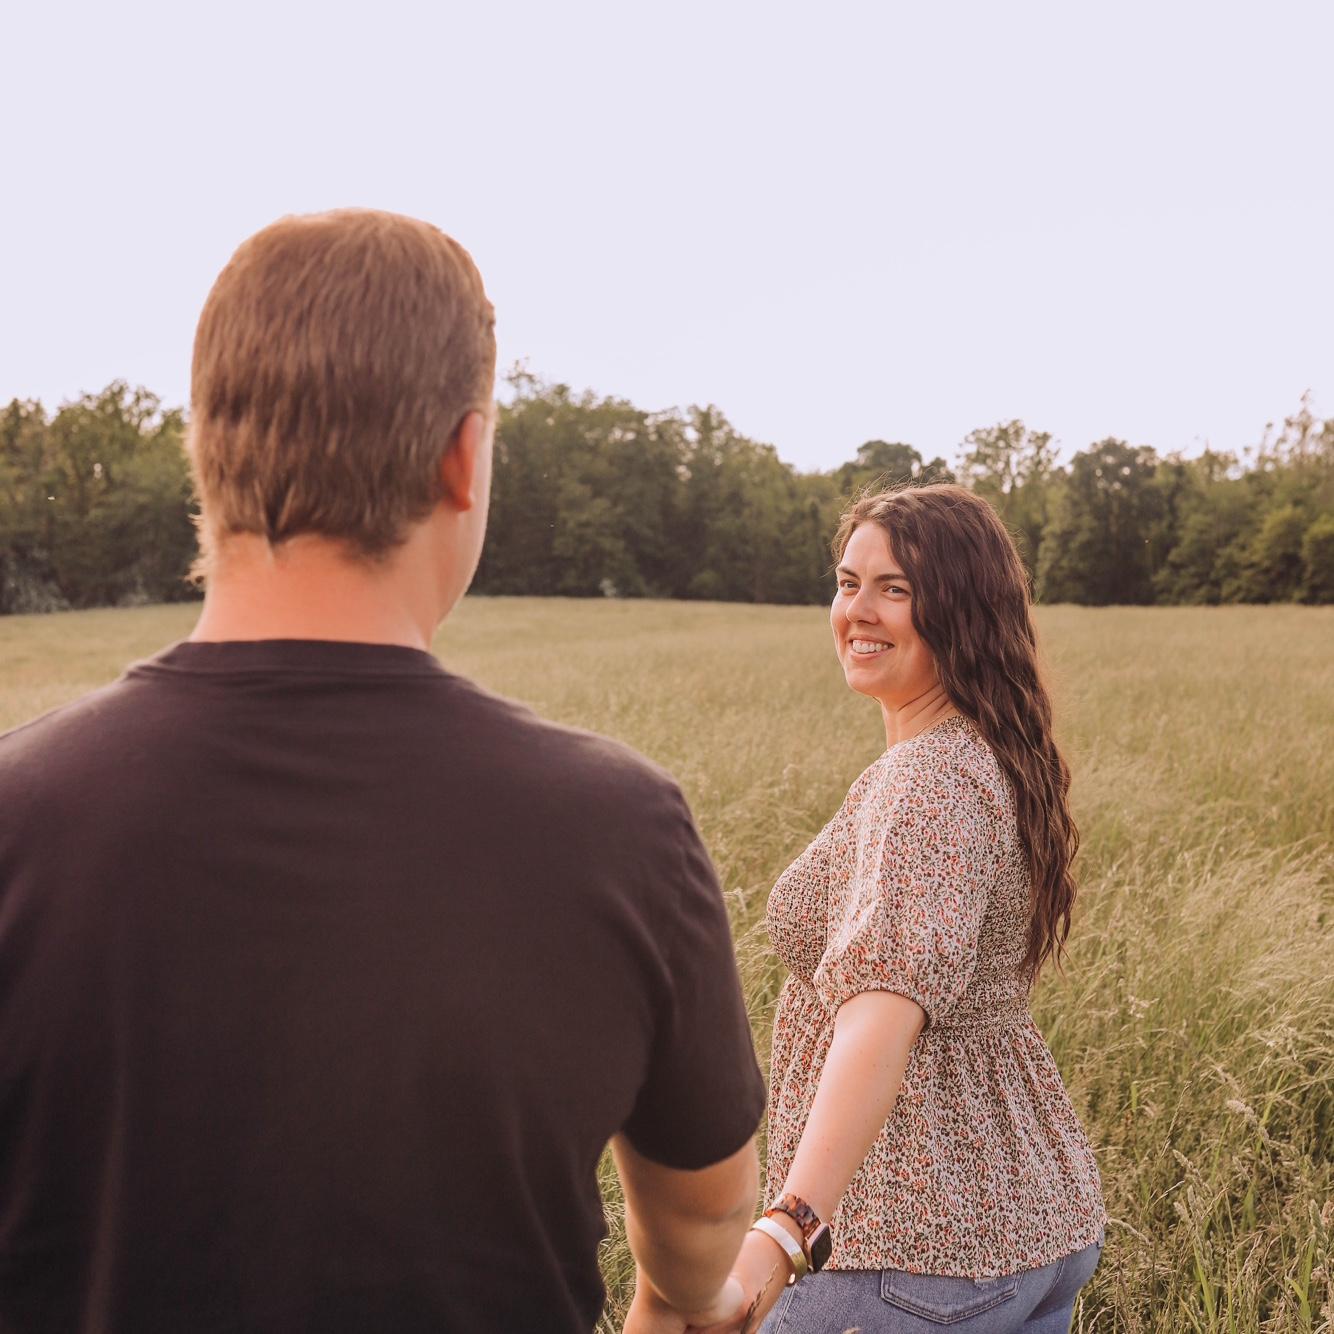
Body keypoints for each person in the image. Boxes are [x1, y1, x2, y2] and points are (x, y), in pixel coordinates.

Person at [0, 209, 766, 1334]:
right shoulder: (620, 826)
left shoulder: (15, 812)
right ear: (462, 457)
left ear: (208, 457)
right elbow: (705, 1218)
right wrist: (678, 1303)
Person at [710, 485, 1106, 1334]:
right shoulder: (989, 756)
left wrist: (786, 1228)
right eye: (849, 582)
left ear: (961, 610)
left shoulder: (926, 782)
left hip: (910, 1247)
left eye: (895, 588)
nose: (859, 610)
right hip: (1033, 1229)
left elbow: (883, 1014)